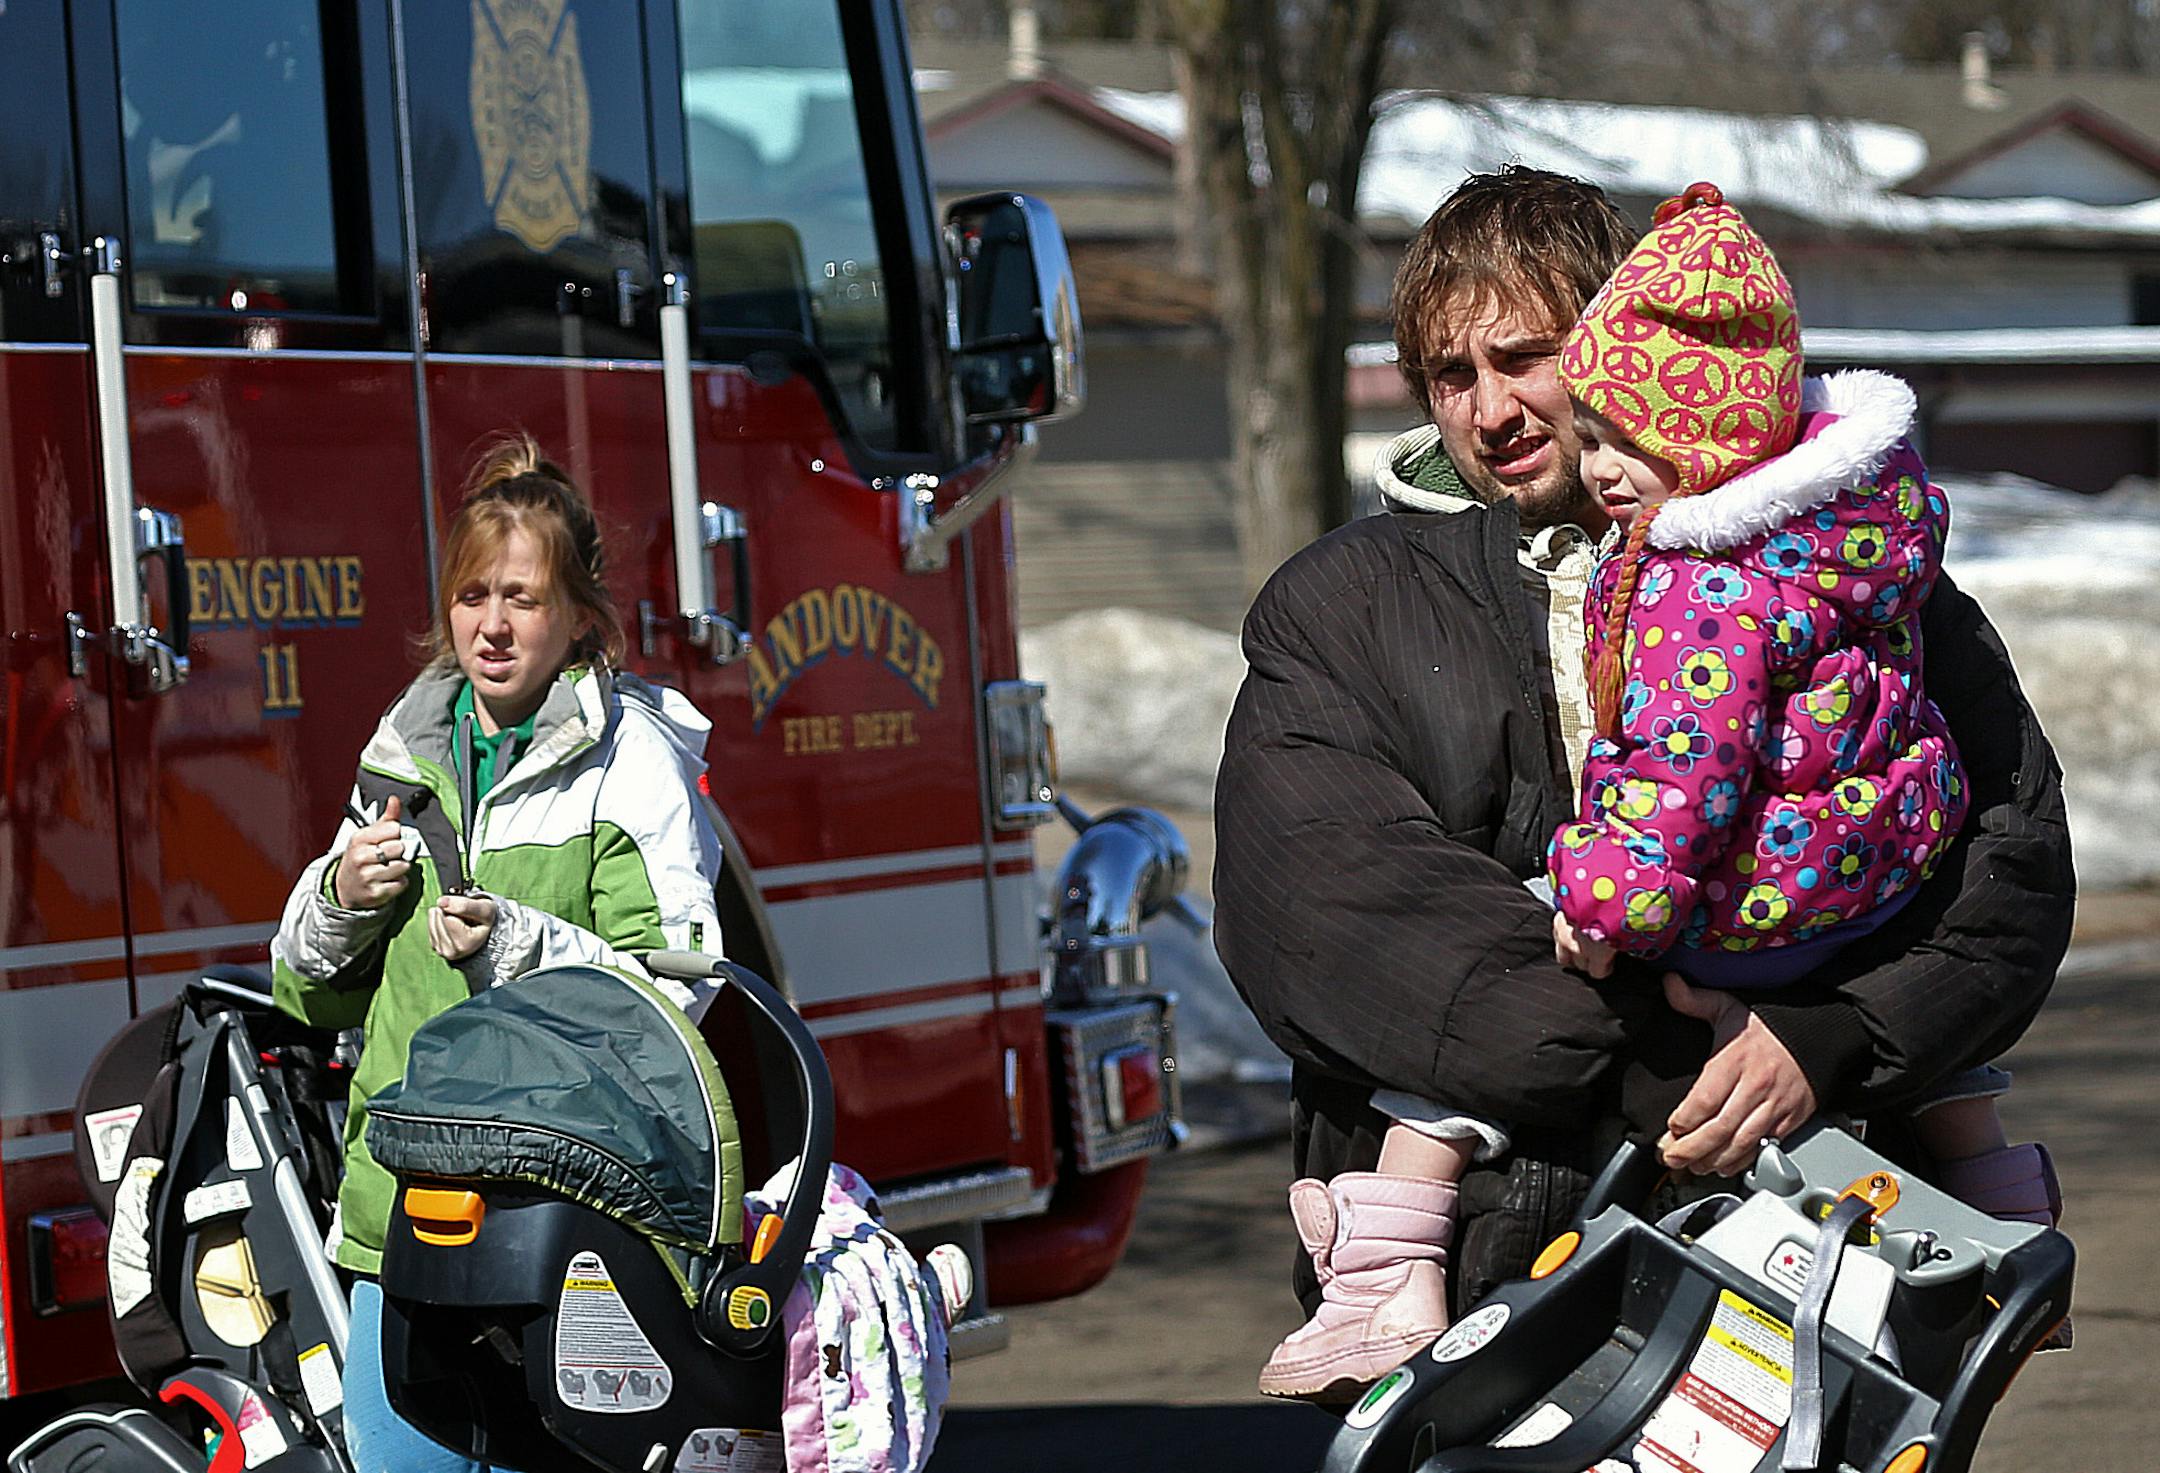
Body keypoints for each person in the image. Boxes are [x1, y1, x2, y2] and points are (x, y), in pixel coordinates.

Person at [1215, 167, 2076, 1404]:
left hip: (1825, 1262)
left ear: (1620, 345)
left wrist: (1833, 1037)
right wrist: (1694, 1056)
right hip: (1491, 1278)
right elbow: (1328, 906)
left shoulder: (1833, 568)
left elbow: (2009, 854)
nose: (1490, 410)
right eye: (1450, 376)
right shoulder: (1343, 607)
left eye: (1525, 358)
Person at [272, 436, 727, 1473]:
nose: (491, 624)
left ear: (579, 617)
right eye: (472, 595)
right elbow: (307, 992)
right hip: (405, 1207)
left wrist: (520, 946)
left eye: (522, 597)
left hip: (565, 1224)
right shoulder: (404, 748)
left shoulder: (630, 762)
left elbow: (680, 991)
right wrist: (342, 898)